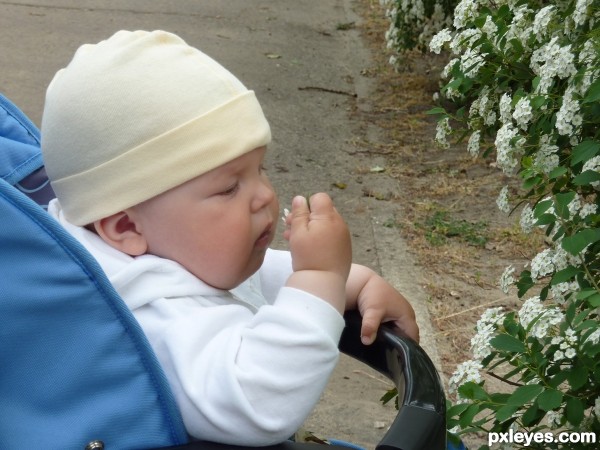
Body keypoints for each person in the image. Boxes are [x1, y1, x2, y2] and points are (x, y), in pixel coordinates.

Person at [42, 30, 419, 445]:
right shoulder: (150, 320)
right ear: (126, 227)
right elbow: (257, 403)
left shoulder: (165, 255)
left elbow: (259, 277)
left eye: (260, 168)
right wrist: (320, 279)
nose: (265, 195)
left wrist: (355, 281)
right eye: (228, 188)